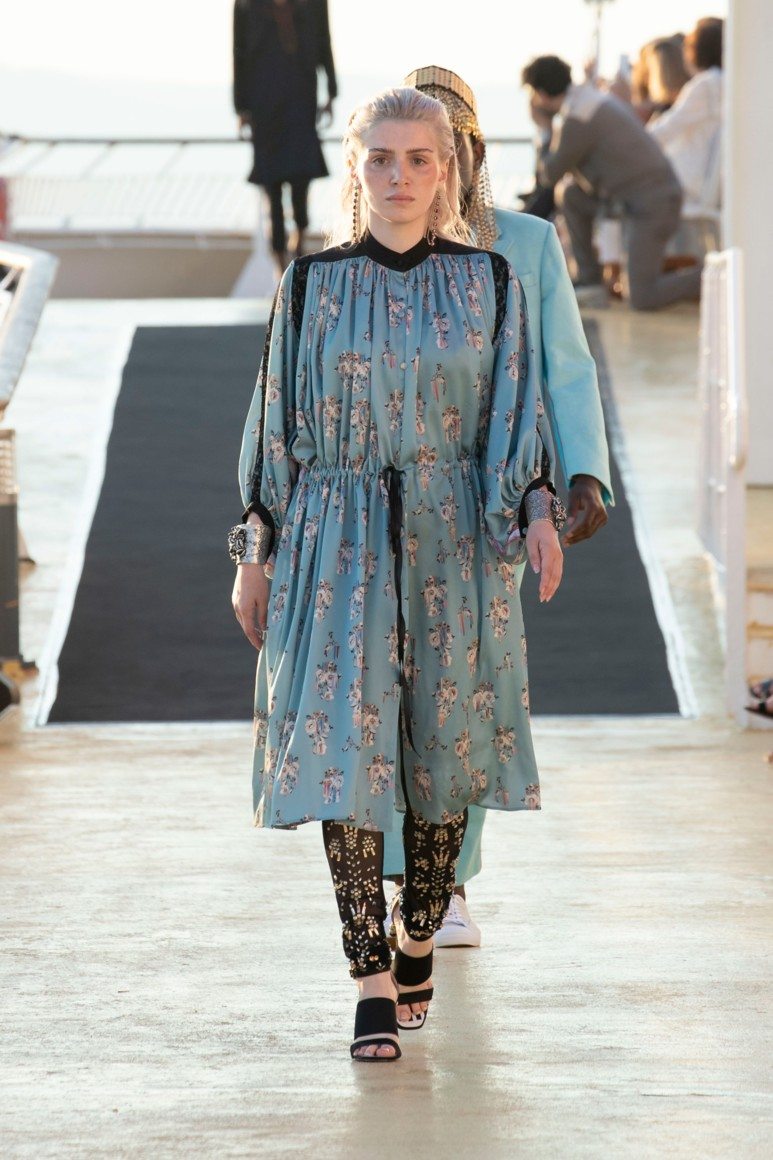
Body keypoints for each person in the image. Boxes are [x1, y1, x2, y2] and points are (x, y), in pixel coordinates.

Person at [231, 87, 565, 1060]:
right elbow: (273, 426)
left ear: (446, 169)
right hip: (330, 542)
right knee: (341, 749)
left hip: (452, 542)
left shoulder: (489, 280)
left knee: (443, 754)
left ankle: (419, 927)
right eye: (380, 157)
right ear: (355, 167)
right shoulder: (310, 285)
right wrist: (253, 557)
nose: (398, 176)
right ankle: (369, 975)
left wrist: (536, 513)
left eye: (418, 158)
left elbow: (516, 415)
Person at [381, 65, 613, 948]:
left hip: (497, 500)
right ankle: (406, 876)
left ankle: (447, 883)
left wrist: (583, 473)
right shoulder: (367, 243)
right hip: (381, 501)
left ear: (469, 152)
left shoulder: (526, 242)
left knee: (465, 692)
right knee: (388, 689)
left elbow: (567, 368)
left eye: (444, 146)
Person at [521, 54, 703, 311]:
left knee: (642, 297)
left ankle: (712, 277)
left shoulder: (578, 118)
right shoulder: (587, 100)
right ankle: (590, 281)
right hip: (633, 199)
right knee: (572, 194)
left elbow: (549, 175)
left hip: (652, 206)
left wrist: (544, 128)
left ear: (540, 94)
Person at [232, 0, 337, 279]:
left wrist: (331, 92)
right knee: (271, 184)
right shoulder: (246, 5)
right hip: (264, 104)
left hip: (301, 99)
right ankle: (280, 261)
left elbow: (324, 40)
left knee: (301, 177)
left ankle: (298, 241)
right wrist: (241, 108)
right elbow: (239, 53)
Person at [647, 18, 723, 209]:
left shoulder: (705, 85)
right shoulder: (724, 82)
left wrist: (633, 139)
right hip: (707, 183)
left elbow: (666, 130)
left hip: (687, 183)